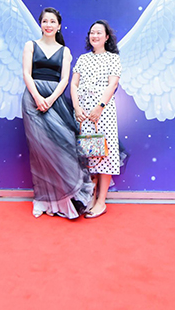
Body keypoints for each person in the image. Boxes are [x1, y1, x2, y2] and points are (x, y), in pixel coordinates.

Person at [21, 8, 94, 219]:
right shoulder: (30, 45)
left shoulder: (65, 51)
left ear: (59, 25)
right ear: (40, 24)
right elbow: (26, 73)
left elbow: (64, 80)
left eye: (52, 21)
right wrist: (37, 98)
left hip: (56, 101)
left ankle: (65, 200)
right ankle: (41, 200)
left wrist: (50, 99)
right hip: (32, 101)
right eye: (45, 21)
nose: (48, 25)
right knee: (40, 151)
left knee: (62, 147)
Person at [71, 20, 121, 219]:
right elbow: (74, 84)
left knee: (105, 156)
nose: (95, 36)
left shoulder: (113, 59)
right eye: (92, 32)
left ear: (106, 37)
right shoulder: (83, 59)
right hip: (83, 113)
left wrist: (99, 107)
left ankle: (101, 201)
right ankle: (91, 197)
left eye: (99, 32)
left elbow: (112, 85)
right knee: (90, 155)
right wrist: (77, 107)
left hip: (103, 113)